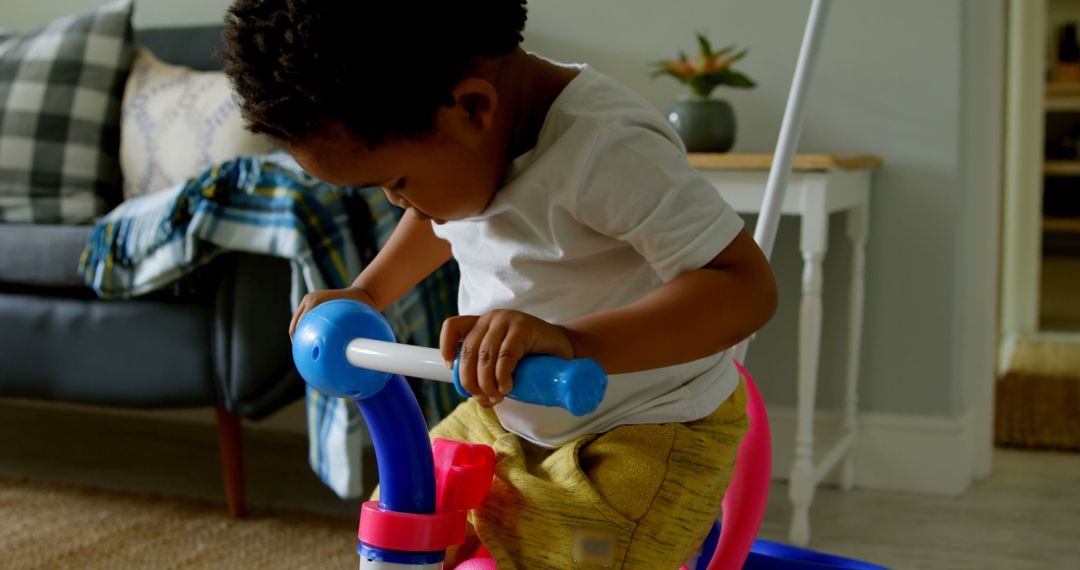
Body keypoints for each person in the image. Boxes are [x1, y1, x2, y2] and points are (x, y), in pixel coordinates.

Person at [222, 1, 777, 567]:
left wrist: (573, 343)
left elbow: (745, 285)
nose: (399, 202)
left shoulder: (608, 149)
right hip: (502, 414)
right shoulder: (468, 139)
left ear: (472, 108)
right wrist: (367, 293)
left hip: (647, 428)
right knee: (401, 523)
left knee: (569, 555)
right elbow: (442, 213)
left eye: (397, 182)